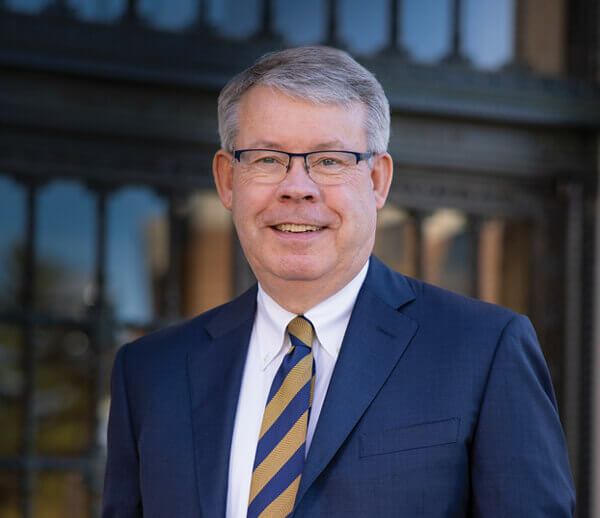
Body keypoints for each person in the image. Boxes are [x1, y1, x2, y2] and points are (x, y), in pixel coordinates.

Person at [102, 46, 575, 517]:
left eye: (329, 161)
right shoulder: (149, 374)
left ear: (376, 180)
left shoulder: (484, 350)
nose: (298, 186)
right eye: (267, 159)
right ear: (228, 180)